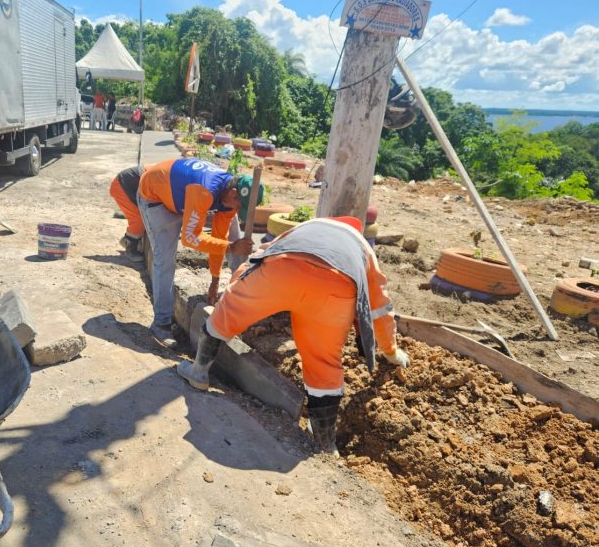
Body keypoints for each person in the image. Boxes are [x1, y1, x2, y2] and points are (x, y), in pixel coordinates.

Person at [176, 216, 410, 455]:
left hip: (280, 271)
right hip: (333, 291)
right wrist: (391, 351)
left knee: (224, 316)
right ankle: (325, 443)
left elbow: (255, 261)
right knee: (323, 363)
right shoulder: (363, 248)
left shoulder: (305, 227)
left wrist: (237, 295)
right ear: (356, 228)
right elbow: (380, 310)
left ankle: (198, 372)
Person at [137, 158, 260, 346]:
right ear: (234, 193)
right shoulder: (204, 190)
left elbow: (218, 237)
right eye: (238, 206)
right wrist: (231, 247)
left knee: (229, 232)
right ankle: (161, 324)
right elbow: (189, 238)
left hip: (182, 197)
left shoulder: (227, 199)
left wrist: (215, 279)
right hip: (156, 197)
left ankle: (237, 291)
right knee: (165, 261)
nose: (236, 210)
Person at [109, 165, 145, 262]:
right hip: (121, 185)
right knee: (138, 218)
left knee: (143, 216)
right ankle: (130, 248)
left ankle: (127, 239)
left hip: (127, 184)